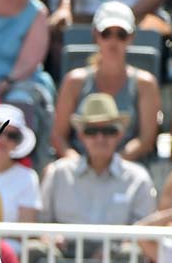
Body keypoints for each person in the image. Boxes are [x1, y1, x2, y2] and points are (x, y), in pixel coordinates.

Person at [51, 2, 159, 163]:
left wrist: (113, 167)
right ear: (95, 35)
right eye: (106, 33)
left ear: (131, 38)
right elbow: (59, 136)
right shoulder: (74, 81)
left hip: (127, 171)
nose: (113, 41)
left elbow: (146, 140)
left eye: (121, 34)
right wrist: (81, 167)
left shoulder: (146, 84)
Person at [40, 92, 156, 227]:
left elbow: (144, 234)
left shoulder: (138, 178)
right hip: (64, 248)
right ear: (81, 136)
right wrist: (50, 238)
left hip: (117, 248)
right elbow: (41, 223)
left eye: (108, 131)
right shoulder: (57, 173)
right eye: (91, 131)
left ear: (120, 135)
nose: (100, 138)